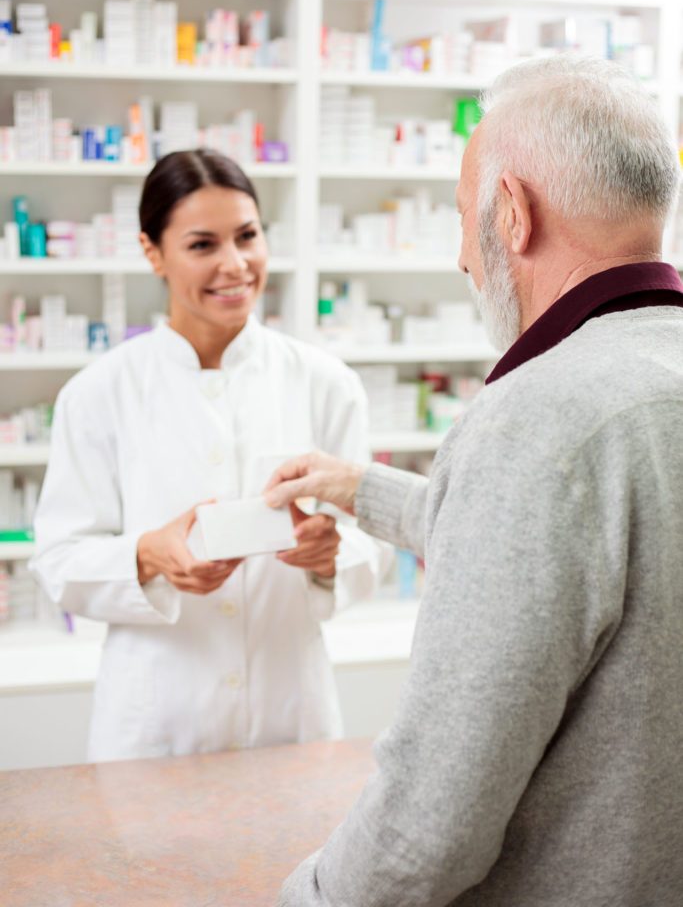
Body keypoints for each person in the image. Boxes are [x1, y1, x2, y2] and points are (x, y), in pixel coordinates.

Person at [267, 57, 683, 906]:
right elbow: (597, 550)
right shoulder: (644, 387)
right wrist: (363, 488)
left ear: (511, 213)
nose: (463, 257)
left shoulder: (537, 422)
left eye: (463, 219)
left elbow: (426, 833)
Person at [30, 149, 387, 763]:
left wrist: (330, 555)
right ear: (153, 253)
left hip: (290, 716)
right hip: (156, 727)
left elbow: (371, 540)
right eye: (202, 245)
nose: (235, 264)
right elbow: (58, 560)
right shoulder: (98, 393)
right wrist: (148, 555)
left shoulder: (326, 382)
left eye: (247, 236)